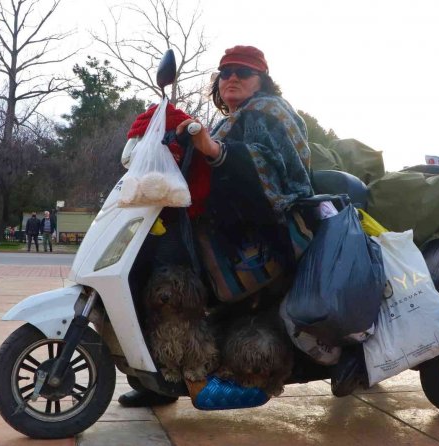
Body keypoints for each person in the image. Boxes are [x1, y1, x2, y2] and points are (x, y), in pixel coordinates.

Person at [118, 45, 315, 408]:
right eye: (225, 73)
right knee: (154, 266)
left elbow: (279, 171)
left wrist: (216, 150)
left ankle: (177, 373)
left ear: (263, 81)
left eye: (244, 72)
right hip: (228, 229)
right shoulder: (233, 118)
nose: (233, 78)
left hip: (263, 236)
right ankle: (157, 374)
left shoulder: (271, 112)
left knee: (172, 280)